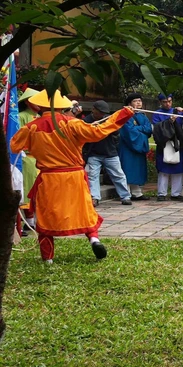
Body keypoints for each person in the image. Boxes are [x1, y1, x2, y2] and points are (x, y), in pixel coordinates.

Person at [11, 90, 134, 263]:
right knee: (84, 211)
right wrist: (123, 114)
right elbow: (98, 132)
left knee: (47, 217)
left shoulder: (31, 126)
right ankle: (94, 240)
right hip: (74, 177)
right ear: (62, 106)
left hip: (49, 178)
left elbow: (15, 146)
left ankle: (48, 258)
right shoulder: (72, 123)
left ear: (41, 105)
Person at [82, 100, 132, 206]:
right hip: (93, 153)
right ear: (93, 109)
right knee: (93, 176)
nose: (101, 114)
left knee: (118, 174)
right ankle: (94, 197)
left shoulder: (109, 119)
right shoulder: (86, 121)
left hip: (110, 152)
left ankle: (125, 196)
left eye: (103, 112)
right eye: (100, 112)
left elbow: (116, 133)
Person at [151, 94, 183, 201]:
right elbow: (157, 127)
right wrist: (169, 121)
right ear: (160, 102)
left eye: (169, 101)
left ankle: (176, 193)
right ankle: (161, 193)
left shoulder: (178, 111)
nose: (167, 104)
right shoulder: (157, 114)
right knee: (163, 170)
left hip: (178, 143)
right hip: (164, 143)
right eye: (164, 102)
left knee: (179, 170)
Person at [118, 93, 153, 200]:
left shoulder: (143, 115)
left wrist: (138, 128)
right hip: (128, 146)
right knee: (127, 168)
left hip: (139, 146)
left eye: (140, 101)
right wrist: (141, 129)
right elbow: (128, 131)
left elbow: (148, 129)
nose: (138, 103)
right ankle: (126, 193)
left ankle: (137, 192)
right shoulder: (125, 115)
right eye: (135, 101)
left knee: (138, 169)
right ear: (129, 103)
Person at [16, 88, 40, 205]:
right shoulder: (20, 117)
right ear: (27, 102)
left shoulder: (41, 117)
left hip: (42, 159)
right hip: (27, 159)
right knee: (28, 188)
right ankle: (29, 219)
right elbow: (18, 139)